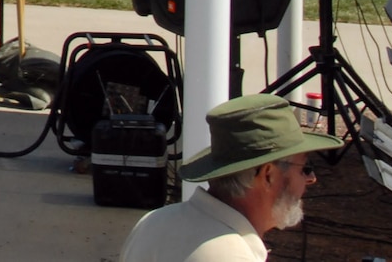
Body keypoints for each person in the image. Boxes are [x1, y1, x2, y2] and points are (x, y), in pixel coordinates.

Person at [119, 93, 336, 262]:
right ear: (268, 175)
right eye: (305, 168)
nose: (311, 179)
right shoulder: (232, 255)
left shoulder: (152, 223)